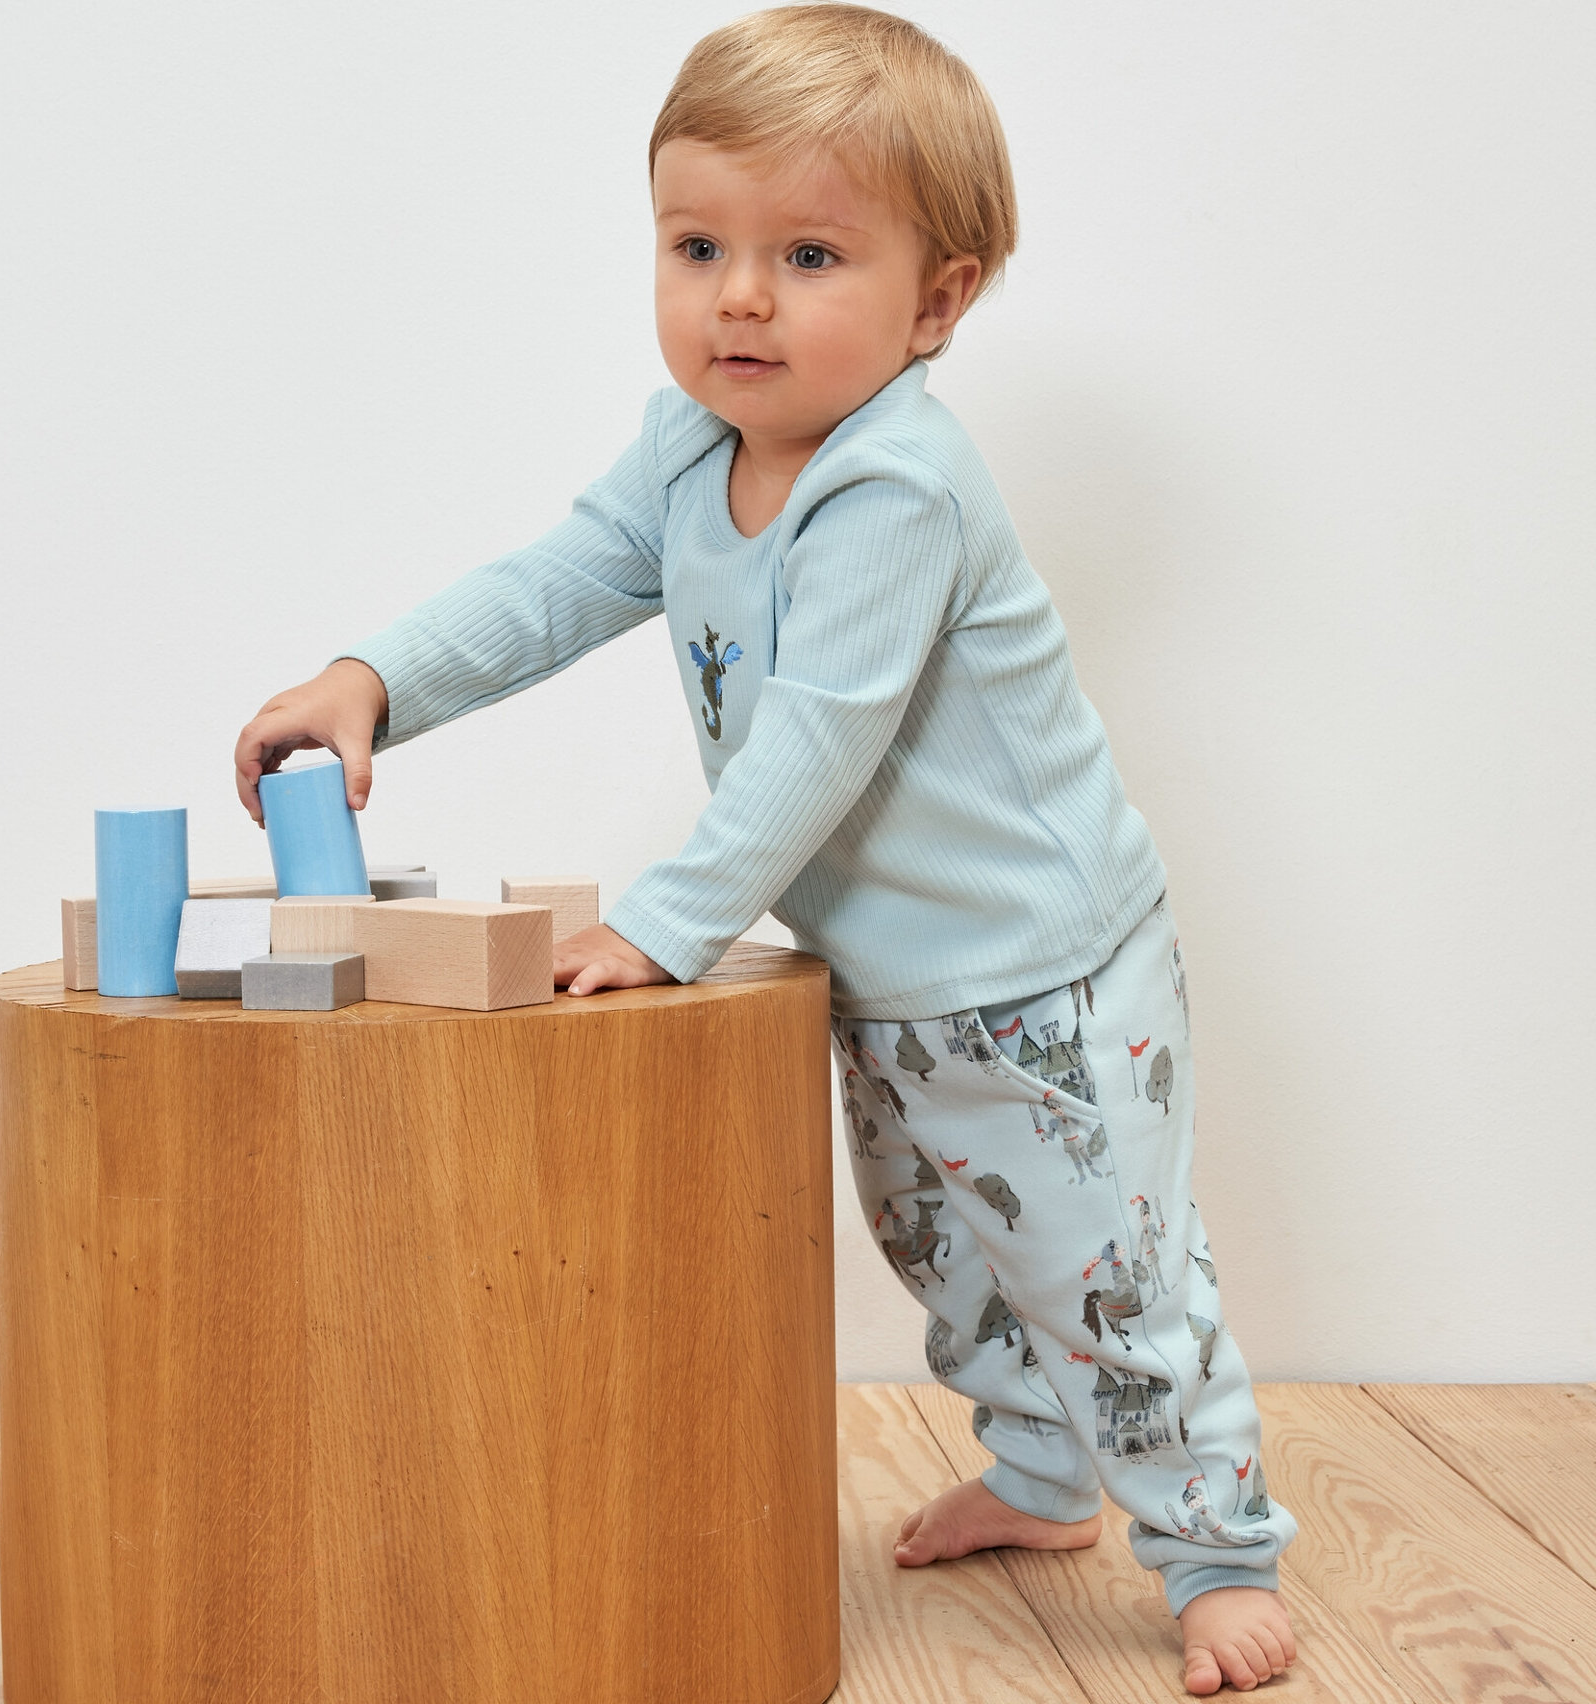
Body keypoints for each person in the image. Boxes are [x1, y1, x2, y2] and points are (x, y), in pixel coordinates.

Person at [234, 7, 1297, 1692]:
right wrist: (375, 680)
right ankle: (1043, 1480)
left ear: (938, 301)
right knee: (939, 1241)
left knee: (1103, 1267)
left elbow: (817, 740)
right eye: (698, 244)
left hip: (1047, 971)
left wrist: (661, 923)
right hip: (888, 967)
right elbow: (552, 586)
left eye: (808, 254)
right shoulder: (688, 450)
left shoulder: (897, 488)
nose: (740, 294)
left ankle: (1219, 1550)